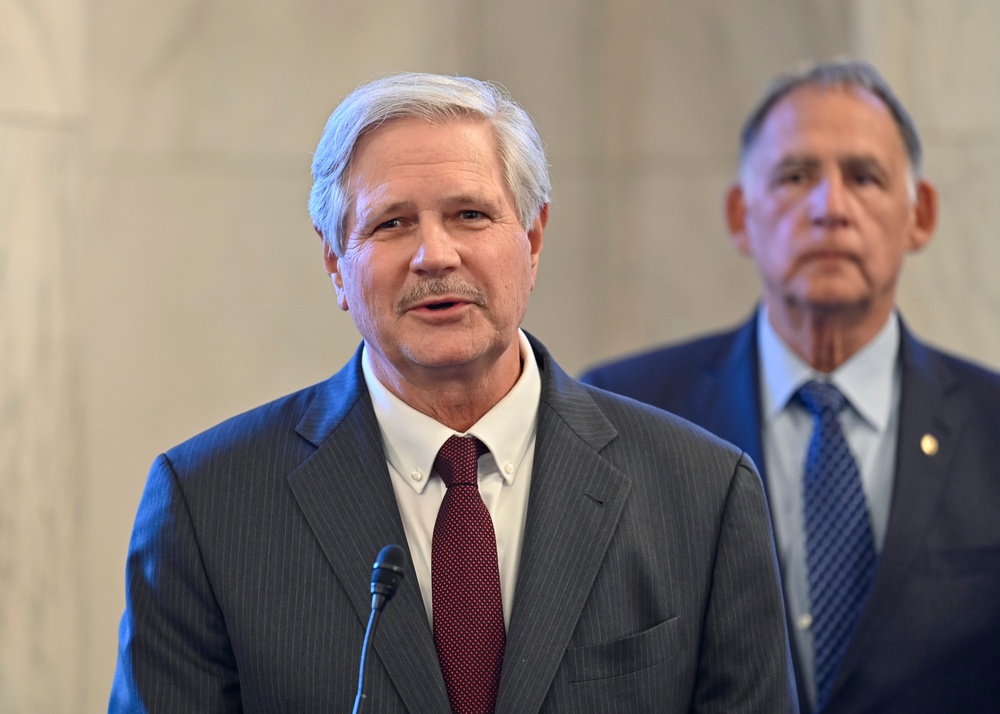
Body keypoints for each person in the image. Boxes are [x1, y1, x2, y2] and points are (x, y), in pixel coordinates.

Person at [109, 72, 795, 713]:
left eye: (470, 215)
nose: (434, 255)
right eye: (391, 223)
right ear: (334, 263)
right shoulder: (209, 504)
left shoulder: (704, 492)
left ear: (532, 239)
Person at [581, 58, 1000, 714]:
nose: (830, 208)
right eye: (795, 176)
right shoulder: (621, 415)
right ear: (740, 216)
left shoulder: (992, 425)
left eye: (864, 177)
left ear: (919, 215)